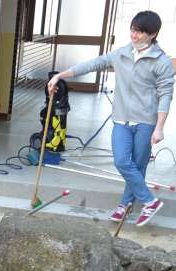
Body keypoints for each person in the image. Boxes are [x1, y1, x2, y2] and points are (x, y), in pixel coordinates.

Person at [48, 10, 174, 227]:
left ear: (153, 34)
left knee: (138, 166)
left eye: (140, 32)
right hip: (121, 120)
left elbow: (166, 95)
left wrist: (159, 127)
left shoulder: (161, 62)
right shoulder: (121, 54)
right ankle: (149, 201)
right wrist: (60, 75)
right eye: (133, 29)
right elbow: (92, 64)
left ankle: (125, 204)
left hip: (145, 122)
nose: (134, 35)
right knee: (122, 161)